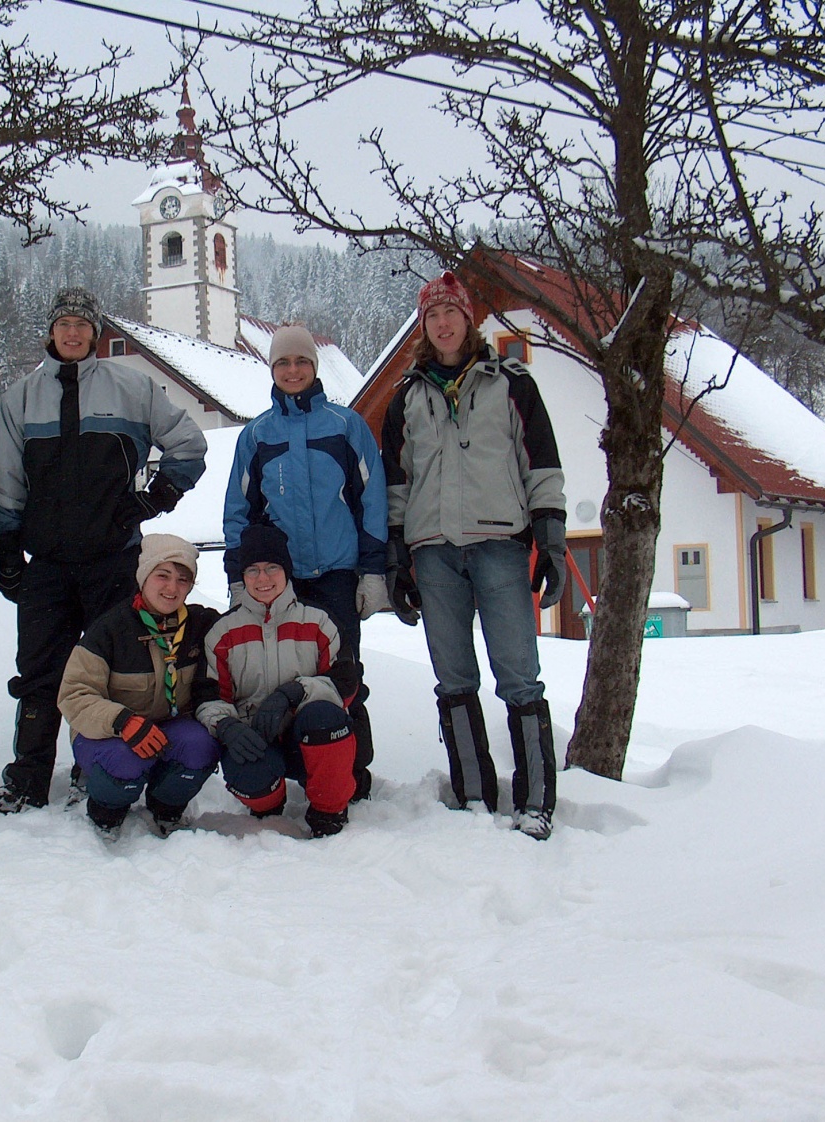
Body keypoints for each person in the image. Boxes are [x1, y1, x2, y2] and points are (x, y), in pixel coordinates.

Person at [0, 287, 208, 811]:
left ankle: (96, 766)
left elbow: (189, 445)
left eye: (82, 325)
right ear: (50, 332)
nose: (72, 333)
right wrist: (6, 550)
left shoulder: (132, 388)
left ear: (95, 333)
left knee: (114, 672)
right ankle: (27, 778)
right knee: (40, 671)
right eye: (63, 323)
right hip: (47, 563)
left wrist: (153, 500)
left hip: (113, 560)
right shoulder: (20, 398)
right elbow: (5, 481)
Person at [381, 270, 567, 840]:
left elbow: (541, 465)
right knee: (454, 678)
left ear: (468, 320)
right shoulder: (405, 398)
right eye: (433, 315)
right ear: (424, 325)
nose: (442, 323)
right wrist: (395, 555)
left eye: (451, 314)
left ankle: (535, 803)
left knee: (518, 676)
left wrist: (552, 540)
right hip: (434, 553)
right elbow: (396, 484)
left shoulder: (511, 383)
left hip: (499, 547)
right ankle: (473, 798)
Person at [222, 324, 388, 801]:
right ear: (271, 369)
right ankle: (290, 764)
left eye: (301, 362)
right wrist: (239, 577)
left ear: (314, 368)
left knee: (343, 674)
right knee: (279, 674)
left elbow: (371, 503)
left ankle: (353, 773)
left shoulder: (345, 426)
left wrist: (372, 571)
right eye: (282, 363)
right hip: (279, 583)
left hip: (336, 574)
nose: (292, 371)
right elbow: (239, 513)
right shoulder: (257, 435)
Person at [195, 524, 360, 838]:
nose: (263, 578)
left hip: (308, 737)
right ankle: (268, 808)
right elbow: (208, 694)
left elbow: (346, 682)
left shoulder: (319, 620)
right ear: (242, 576)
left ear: (286, 571)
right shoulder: (223, 631)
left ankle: (329, 810)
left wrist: (295, 692)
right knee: (247, 768)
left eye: (272, 568)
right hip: (257, 738)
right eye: (253, 570)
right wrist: (226, 726)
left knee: (326, 718)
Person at [57, 535, 222, 838]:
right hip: (109, 735)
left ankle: (166, 807)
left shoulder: (200, 625)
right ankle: (107, 810)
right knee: (126, 760)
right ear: (144, 576)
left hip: (167, 728)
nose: (172, 588)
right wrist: (121, 721)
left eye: (183, 580)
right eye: (163, 576)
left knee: (202, 745)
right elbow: (74, 694)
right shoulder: (110, 629)